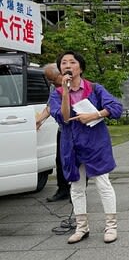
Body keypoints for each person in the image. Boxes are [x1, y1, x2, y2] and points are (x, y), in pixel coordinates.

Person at [49, 50, 123, 244]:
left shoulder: (95, 89)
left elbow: (116, 108)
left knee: (103, 184)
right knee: (76, 186)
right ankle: (82, 227)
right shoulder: (56, 93)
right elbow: (63, 117)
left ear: (80, 68)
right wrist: (65, 92)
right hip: (71, 145)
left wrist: (95, 114)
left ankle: (111, 226)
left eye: (72, 62)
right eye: (63, 63)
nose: (67, 65)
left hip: (95, 144)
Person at [36, 64, 71, 202]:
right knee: (60, 160)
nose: (50, 82)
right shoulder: (54, 86)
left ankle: (78, 192)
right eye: (48, 79)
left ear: (61, 74)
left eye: (52, 79)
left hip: (76, 130)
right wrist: (39, 121)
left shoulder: (74, 83)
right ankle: (63, 190)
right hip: (62, 129)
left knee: (77, 161)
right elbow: (50, 106)